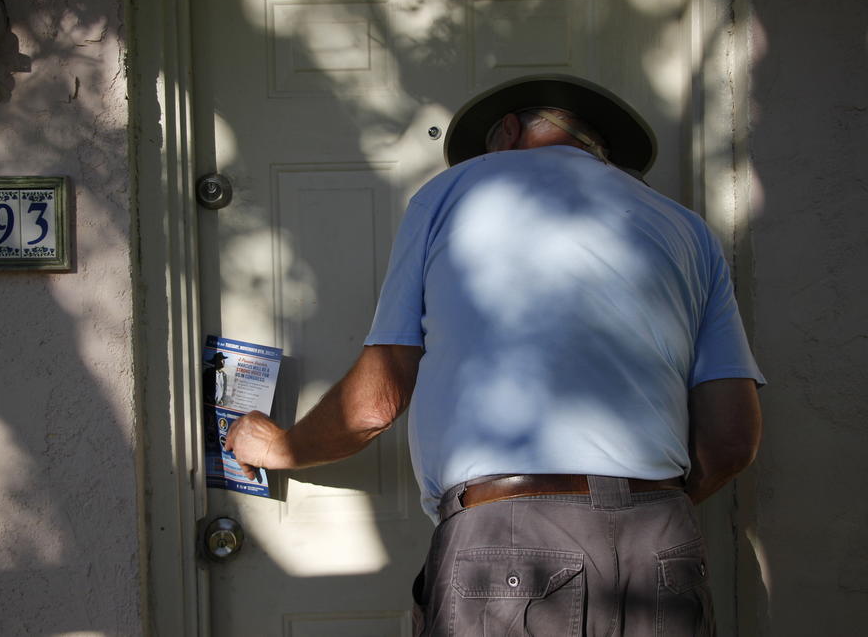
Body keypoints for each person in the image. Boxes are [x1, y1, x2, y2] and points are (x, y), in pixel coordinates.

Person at [226, 74, 764, 635]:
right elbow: (731, 442)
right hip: (663, 540)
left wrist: (279, 446)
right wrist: (637, 504)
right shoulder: (689, 231)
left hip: (511, 543)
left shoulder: (458, 188)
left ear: (505, 132)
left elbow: (375, 403)